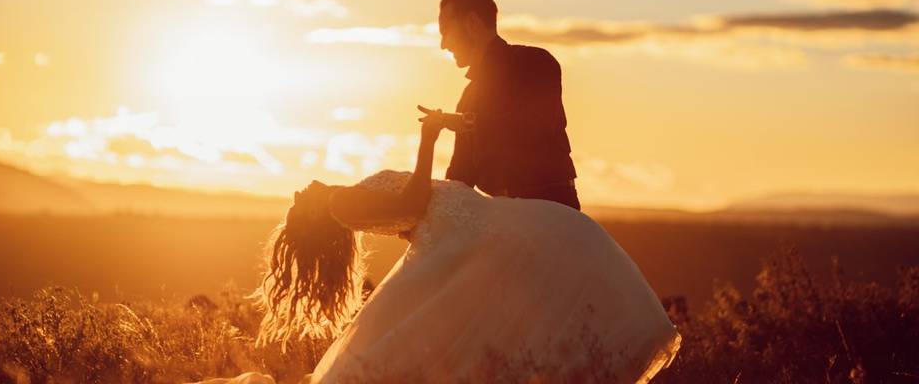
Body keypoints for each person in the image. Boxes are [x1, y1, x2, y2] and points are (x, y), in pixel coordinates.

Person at [241, 110, 680, 383]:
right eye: (299, 202)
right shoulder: (342, 203)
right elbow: (415, 201)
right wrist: (429, 138)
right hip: (495, 231)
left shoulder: (350, 201)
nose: (300, 191)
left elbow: (420, 213)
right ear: (316, 215)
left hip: (486, 232)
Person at [421, 0, 581, 210]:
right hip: (501, 218)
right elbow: (460, 179)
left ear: (472, 24)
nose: (443, 44)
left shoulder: (536, 63)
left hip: (552, 213)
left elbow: (535, 125)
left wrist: (469, 123)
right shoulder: (468, 98)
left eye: (446, 31)